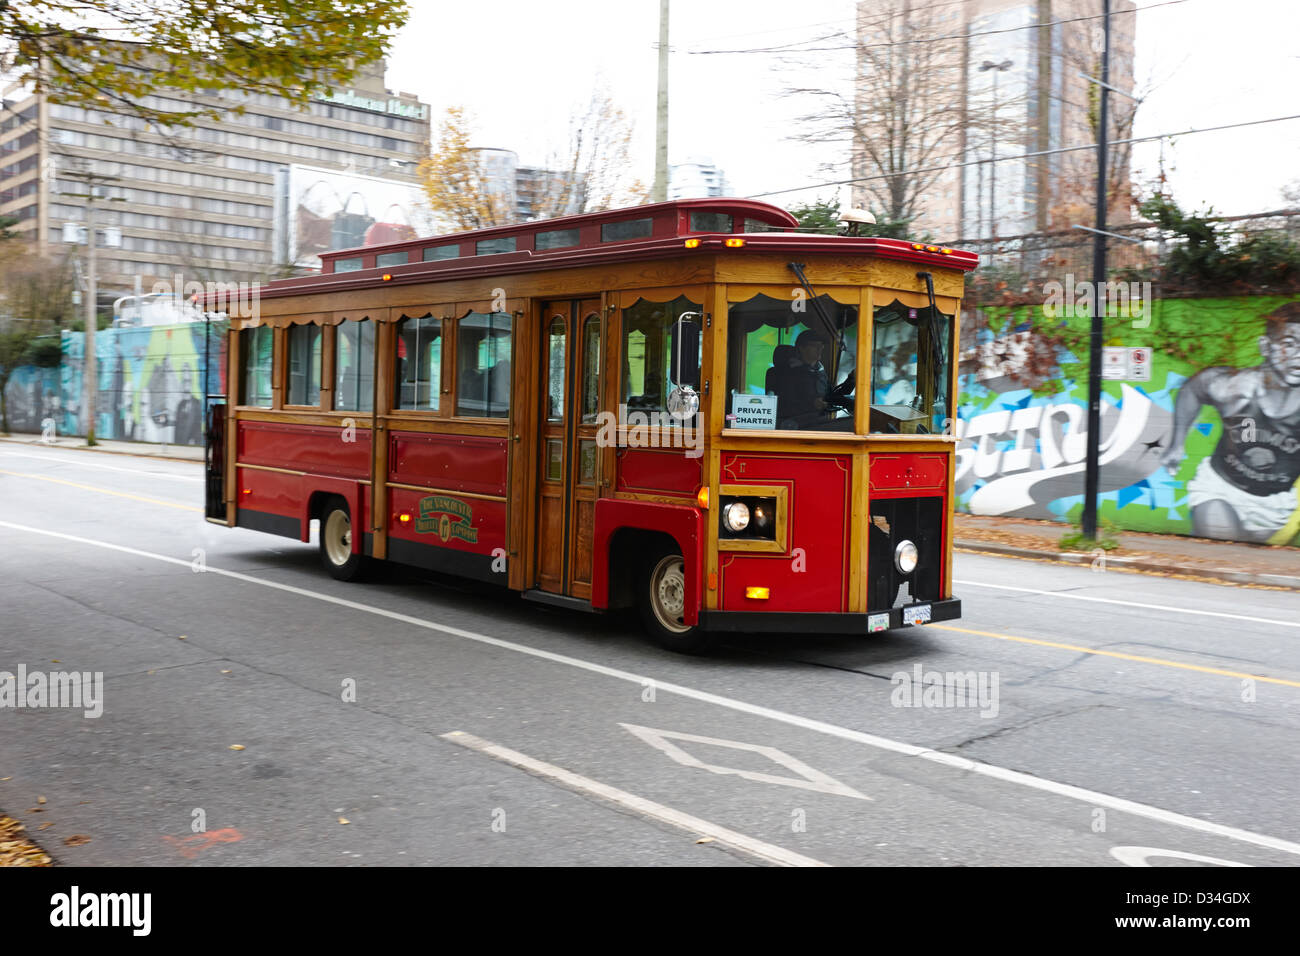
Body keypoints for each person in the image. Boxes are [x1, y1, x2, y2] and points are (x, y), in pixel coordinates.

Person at [1161, 302, 1300, 543]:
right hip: (1220, 489)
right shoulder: (1235, 389)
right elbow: (1194, 388)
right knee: (1220, 542)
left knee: (1244, 558)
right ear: (1265, 347)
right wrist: (1177, 443)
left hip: (1275, 504)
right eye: (1289, 344)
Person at [774, 330, 833, 428]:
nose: (820, 349)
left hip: (821, 424)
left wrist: (851, 379)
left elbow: (831, 394)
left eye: (821, 346)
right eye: (815, 346)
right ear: (801, 348)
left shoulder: (820, 372)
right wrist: (813, 403)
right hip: (797, 427)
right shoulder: (788, 373)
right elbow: (785, 404)